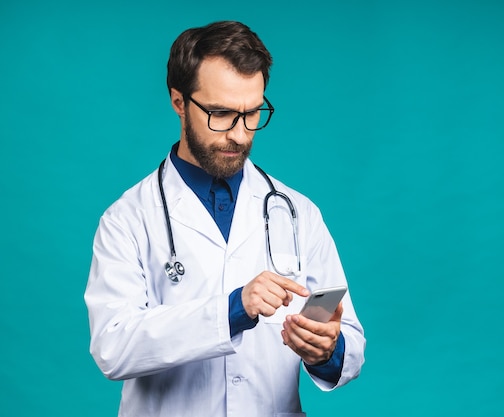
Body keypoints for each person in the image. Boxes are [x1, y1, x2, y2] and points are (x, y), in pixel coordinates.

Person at [84, 20, 365, 417]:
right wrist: (233, 308)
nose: (239, 134)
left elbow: (347, 337)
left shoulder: (298, 212)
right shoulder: (127, 219)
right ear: (179, 101)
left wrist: (325, 350)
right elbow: (113, 348)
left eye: (253, 113)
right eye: (221, 113)